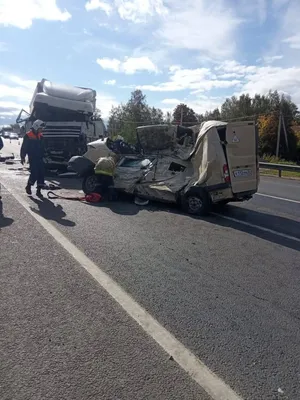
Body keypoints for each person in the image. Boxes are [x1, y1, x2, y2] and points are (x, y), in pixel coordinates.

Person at [20, 119, 46, 198]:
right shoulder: (28, 136)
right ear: (36, 127)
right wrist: (22, 157)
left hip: (40, 157)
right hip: (32, 158)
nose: (41, 130)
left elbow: (43, 148)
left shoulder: (41, 136)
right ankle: (29, 186)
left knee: (41, 173)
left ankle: (39, 190)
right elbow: (24, 147)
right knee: (34, 173)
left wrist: (46, 155)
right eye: (40, 128)